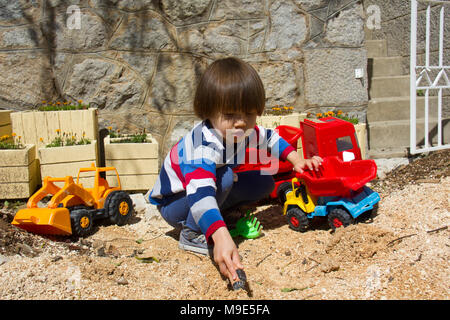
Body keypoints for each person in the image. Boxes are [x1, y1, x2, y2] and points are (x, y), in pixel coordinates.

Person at [148, 57, 322, 284]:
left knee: (264, 181)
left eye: (249, 114)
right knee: (227, 177)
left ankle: (221, 215)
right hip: (176, 203)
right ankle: (191, 233)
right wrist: (219, 234)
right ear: (208, 111)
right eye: (230, 115)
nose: (241, 122)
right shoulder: (201, 145)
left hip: (207, 189)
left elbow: (270, 138)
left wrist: (297, 160)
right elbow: (200, 194)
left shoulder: (241, 130)